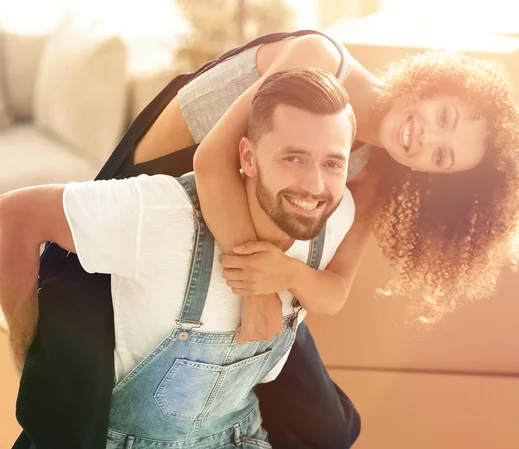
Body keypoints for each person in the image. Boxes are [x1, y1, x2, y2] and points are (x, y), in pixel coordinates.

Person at [7, 29, 519, 449]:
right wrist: (258, 294)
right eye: (443, 117)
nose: (425, 139)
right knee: (65, 420)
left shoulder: (380, 167)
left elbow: (334, 291)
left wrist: (286, 277)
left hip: (248, 244)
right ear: (434, 85)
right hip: (156, 205)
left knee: (329, 427)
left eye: (441, 157)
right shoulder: (318, 58)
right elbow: (214, 164)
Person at [1, 67, 356, 448]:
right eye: (294, 159)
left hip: (242, 435)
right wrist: (27, 354)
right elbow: (13, 216)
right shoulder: (164, 216)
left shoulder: (331, 222)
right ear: (248, 158)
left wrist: (291, 274)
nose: (316, 186)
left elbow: (334, 295)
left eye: (333, 163)